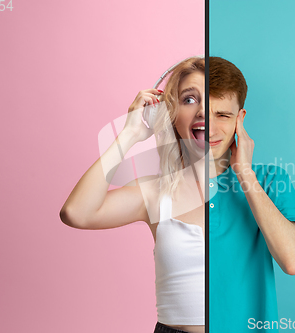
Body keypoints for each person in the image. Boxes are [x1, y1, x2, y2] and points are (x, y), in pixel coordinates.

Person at [60, 56, 206, 333]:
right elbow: (75, 213)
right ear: (171, 115)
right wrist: (129, 133)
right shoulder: (154, 193)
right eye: (189, 99)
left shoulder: (257, 187)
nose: (202, 111)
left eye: (215, 101)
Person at [208, 56, 295, 332]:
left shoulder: (269, 180)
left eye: (223, 115)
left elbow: (294, 261)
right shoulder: (167, 185)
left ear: (239, 120)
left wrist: (245, 174)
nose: (210, 128)